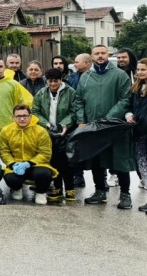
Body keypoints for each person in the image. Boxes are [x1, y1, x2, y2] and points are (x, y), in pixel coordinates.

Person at [76, 45, 135, 209]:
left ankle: (125, 195)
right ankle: (100, 191)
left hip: (114, 127)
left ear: (108, 55)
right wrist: (81, 120)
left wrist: (108, 119)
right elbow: (79, 100)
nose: (100, 56)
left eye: (103, 53)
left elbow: (125, 99)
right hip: (93, 128)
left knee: (120, 160)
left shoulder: (120, 75)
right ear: (92, 56)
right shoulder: (85, 77)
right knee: (96, 160)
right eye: (97, 53)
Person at [32, 68, 77, 202]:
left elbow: (74, 111)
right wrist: (46, 124)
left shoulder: (70, 92)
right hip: (48, 131)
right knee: (53, 160)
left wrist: (65, 124)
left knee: (67, 161)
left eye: (55, 81)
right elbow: (35, 111)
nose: (52, 84)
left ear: (61, 80)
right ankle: (57, 187)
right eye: (50, 81)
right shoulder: (41, 93)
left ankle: (70, 188)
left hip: (66, 131)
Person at [0, 105, 57, 205]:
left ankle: (41, 192)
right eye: (18, 116)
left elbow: (45, 153)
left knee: (43, 174)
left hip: (37, 164)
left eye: (25, 116)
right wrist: (12, 164)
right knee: (10, 177)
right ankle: (16, 189)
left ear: (30, 116)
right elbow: (4, 151)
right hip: (17, 164)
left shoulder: (41, 131)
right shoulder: (5, 131)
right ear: (13, 118)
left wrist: (29, 163)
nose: (22, 118)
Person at [126, 58, 147, 200]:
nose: (139, 72)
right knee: (142, 164)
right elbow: (130, 107)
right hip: (139, 132)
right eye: (138, 69)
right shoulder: (136, 88)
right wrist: (129, 115)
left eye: (143, 69)